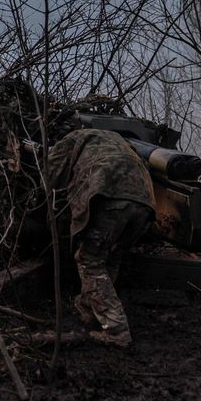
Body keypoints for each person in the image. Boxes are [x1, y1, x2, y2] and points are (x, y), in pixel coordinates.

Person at [46, 127, 156, 347]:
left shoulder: (72, 137)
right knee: (111, 256)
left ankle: (116, 329)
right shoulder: (121, 142)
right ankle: (89, 309)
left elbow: (51, 174)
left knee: (90, 260)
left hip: (110, 197)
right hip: (145, 203)